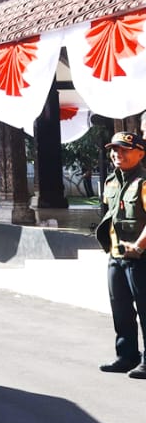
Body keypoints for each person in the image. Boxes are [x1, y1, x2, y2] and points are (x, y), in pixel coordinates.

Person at [97, 132, 146, 377]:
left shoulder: (144, 182)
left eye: (125, 149)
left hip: (140, 257)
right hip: (116, 256)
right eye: (115, 150)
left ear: (140, 153)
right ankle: (126, 356)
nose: (118, 154)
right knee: (121, 309)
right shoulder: (110, 182)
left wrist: (138, 246)